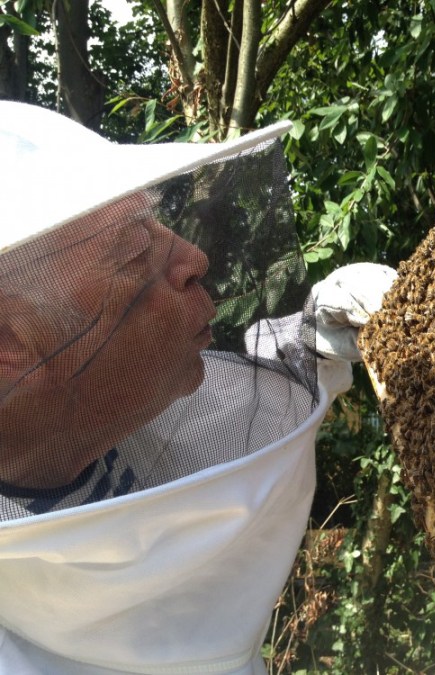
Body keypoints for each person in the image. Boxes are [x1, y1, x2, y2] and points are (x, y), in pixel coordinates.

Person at [0, 100, 395, 674]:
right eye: (136, 252)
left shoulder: (107, 415)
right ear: (9, 341)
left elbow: (234, 399)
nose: (194, 257)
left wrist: (316, 331)